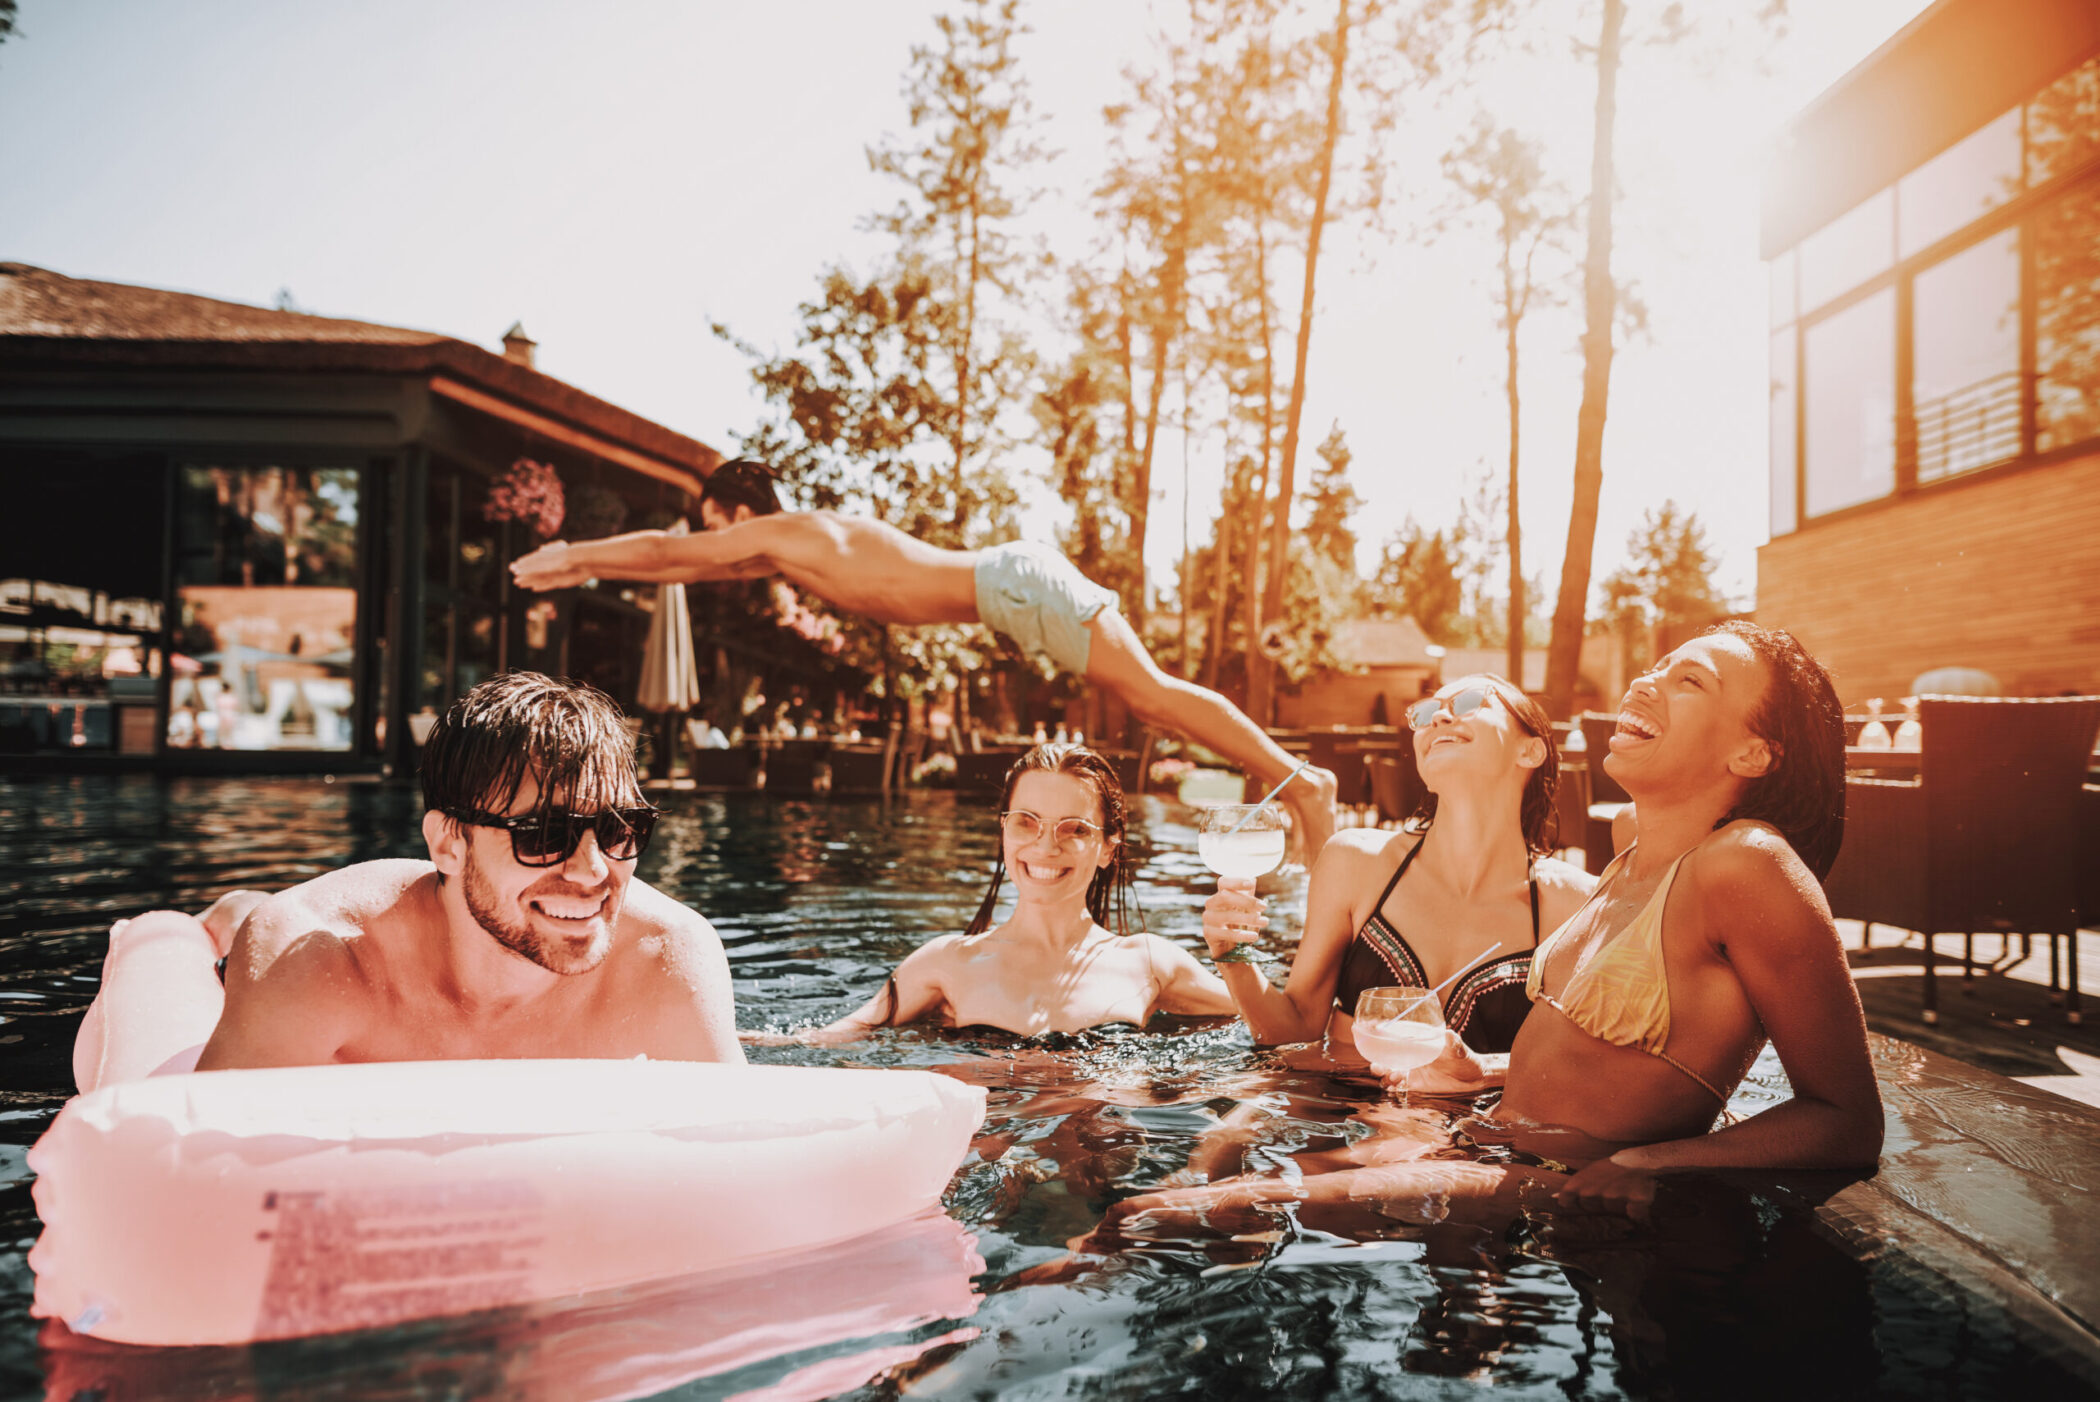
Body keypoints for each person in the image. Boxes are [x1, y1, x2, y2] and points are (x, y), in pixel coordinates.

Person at [1092, 622, 1882, 1234]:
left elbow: (1847, 1120)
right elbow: (1593, 1059)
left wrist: (1659, 1160)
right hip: (1480, 1139)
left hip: (1544, 1177)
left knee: (1154, 1220)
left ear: (1753, 750)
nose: (1647, 682)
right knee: (1181, 1188)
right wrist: (1481, 1072)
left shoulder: (1745, 866)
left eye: (1689, 681)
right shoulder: (1628, 861)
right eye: (1657, 665)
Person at [509, 460, 1338, 862]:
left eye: (715, 520)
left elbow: (670, 553)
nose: (716, 539)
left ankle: (1303, 784)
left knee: (1154, 696)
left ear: (735, 510)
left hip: (1014, 587)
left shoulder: (787, 531)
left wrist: (576, 555)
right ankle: (1296, 784)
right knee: (1152, 698)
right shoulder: (791, 549)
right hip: (1013, 590)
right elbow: (690, 561)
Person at [72, 671, 743, 1090]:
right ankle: (185, 931)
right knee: (150, 1031)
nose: (594, 871)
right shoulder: (317, 961)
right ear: (448, 842)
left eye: (623, 829)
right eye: (543, 836)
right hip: (274, 975)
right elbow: (189, 1182)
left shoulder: (668, 960)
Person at [1204, 674, 1595, 1062]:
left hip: (1479, 1123)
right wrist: (1233, 957)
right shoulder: (1355, 863)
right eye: (1426, 713)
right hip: (1339, 1116)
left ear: (1530, 751)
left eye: (1469, 702)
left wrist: (1483, 1072)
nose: (1439, 718)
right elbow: (1293, 1033)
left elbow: (1579, 1069)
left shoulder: (1573, 906)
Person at [808, 744, 1236, 1038]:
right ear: (1004, 831)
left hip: (1108, 1162)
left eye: (1076, 829)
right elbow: (825, 1044)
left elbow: (1276, 1023)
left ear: (1109, 848)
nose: (1047, 846)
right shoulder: (948, 961)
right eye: (1026, 822)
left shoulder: (1149, 961)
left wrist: (1232, 951)